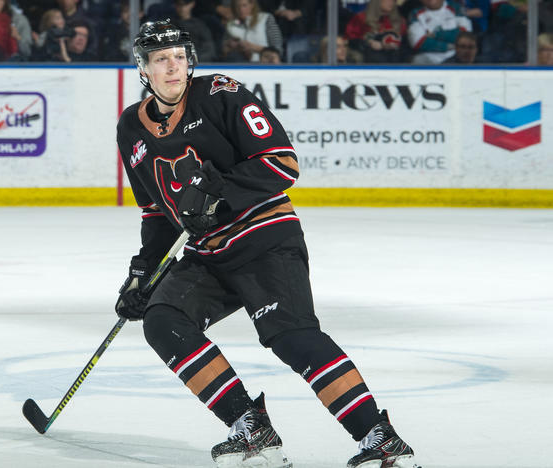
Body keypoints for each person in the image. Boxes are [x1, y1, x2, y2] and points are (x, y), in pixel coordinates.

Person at [115, 19, 419, 468]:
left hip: (264, 237)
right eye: (161, 59)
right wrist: (144, 270)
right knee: (163, 320)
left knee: (290, 336)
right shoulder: (131, 128)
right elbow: (158, 212)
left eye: (179, 56)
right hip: (208, 254)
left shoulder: (221, 92)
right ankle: (250, 428)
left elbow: (282, 163)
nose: (173, 67)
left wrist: (217, 196)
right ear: (143, 68)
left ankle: (380, 438)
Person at [407, 0, 472, 64]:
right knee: (417, 60)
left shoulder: (456, 8)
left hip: (455, 56)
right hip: (428, 57)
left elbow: (465, 35)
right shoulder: (415, 13)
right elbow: (417, 43)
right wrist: (449, 45)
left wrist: (435, 34)